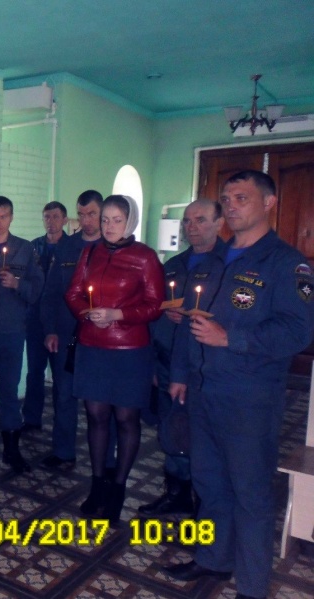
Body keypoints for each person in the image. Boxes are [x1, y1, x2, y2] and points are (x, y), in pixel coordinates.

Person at [164, 171, 314, 599]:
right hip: (202, 390)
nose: (231, 205)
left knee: (250, 493)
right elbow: (193, 321)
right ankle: (214, 559)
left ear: (268, 203)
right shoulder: (214, 259)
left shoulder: (286, 264)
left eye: (242, 198)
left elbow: (298, 331)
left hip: (249, 398)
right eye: (227, 198)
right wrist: (180, 373)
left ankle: (251, 586)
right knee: (209, 482)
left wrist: (232, 338)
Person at [65, 194, 164, 523]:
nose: (109, 226)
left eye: (116, 220)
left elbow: (155, 305)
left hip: (129, 351)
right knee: (95, 416)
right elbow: (73, 293)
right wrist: (87, 313)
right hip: (92, 345)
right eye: (104, 219)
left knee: (125, 419)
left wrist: (118, 314)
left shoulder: (145, 257)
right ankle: (97, 486)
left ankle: (118, 488)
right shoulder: (89, 252)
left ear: (130, 221)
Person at [138, 199, 225, 516]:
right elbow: (154, 309)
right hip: (167, 358)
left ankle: (205, 503)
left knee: (203, 436)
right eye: (187, 221)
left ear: (219, 223)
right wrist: (166, 317)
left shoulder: (229, 264)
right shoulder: (174, 264)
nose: (192, 227)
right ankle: (176, 493)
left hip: (204, 365)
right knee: (171, 428)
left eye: (200, 220)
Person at [0, 195, 44, 473]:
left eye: (3, 216)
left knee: (9, 391)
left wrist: (18, 284)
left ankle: (11, 450)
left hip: (12, 332)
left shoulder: (24, 249)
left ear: (11, 217)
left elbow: (37, 290)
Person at [39, 190, 103, 468]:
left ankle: (105, 459)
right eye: (82, 214)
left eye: (92, 214)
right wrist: (50, 329)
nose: (86, 220)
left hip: (102, 336)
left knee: (100, 400)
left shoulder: (112, 247)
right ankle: (63, 451)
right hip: (66, 333)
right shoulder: (67, 247)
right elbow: (51, 293)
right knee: (63, 394)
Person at [22, 201, 68, 433]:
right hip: (35, 320)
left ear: (65, 220)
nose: (51, 221)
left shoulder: (72, 247)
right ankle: (32, 418)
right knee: (35, 371)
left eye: (56, 217)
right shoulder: (33, 247)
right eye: (47, 217)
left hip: (62, 321)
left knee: (61, 375)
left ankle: (62, 422)